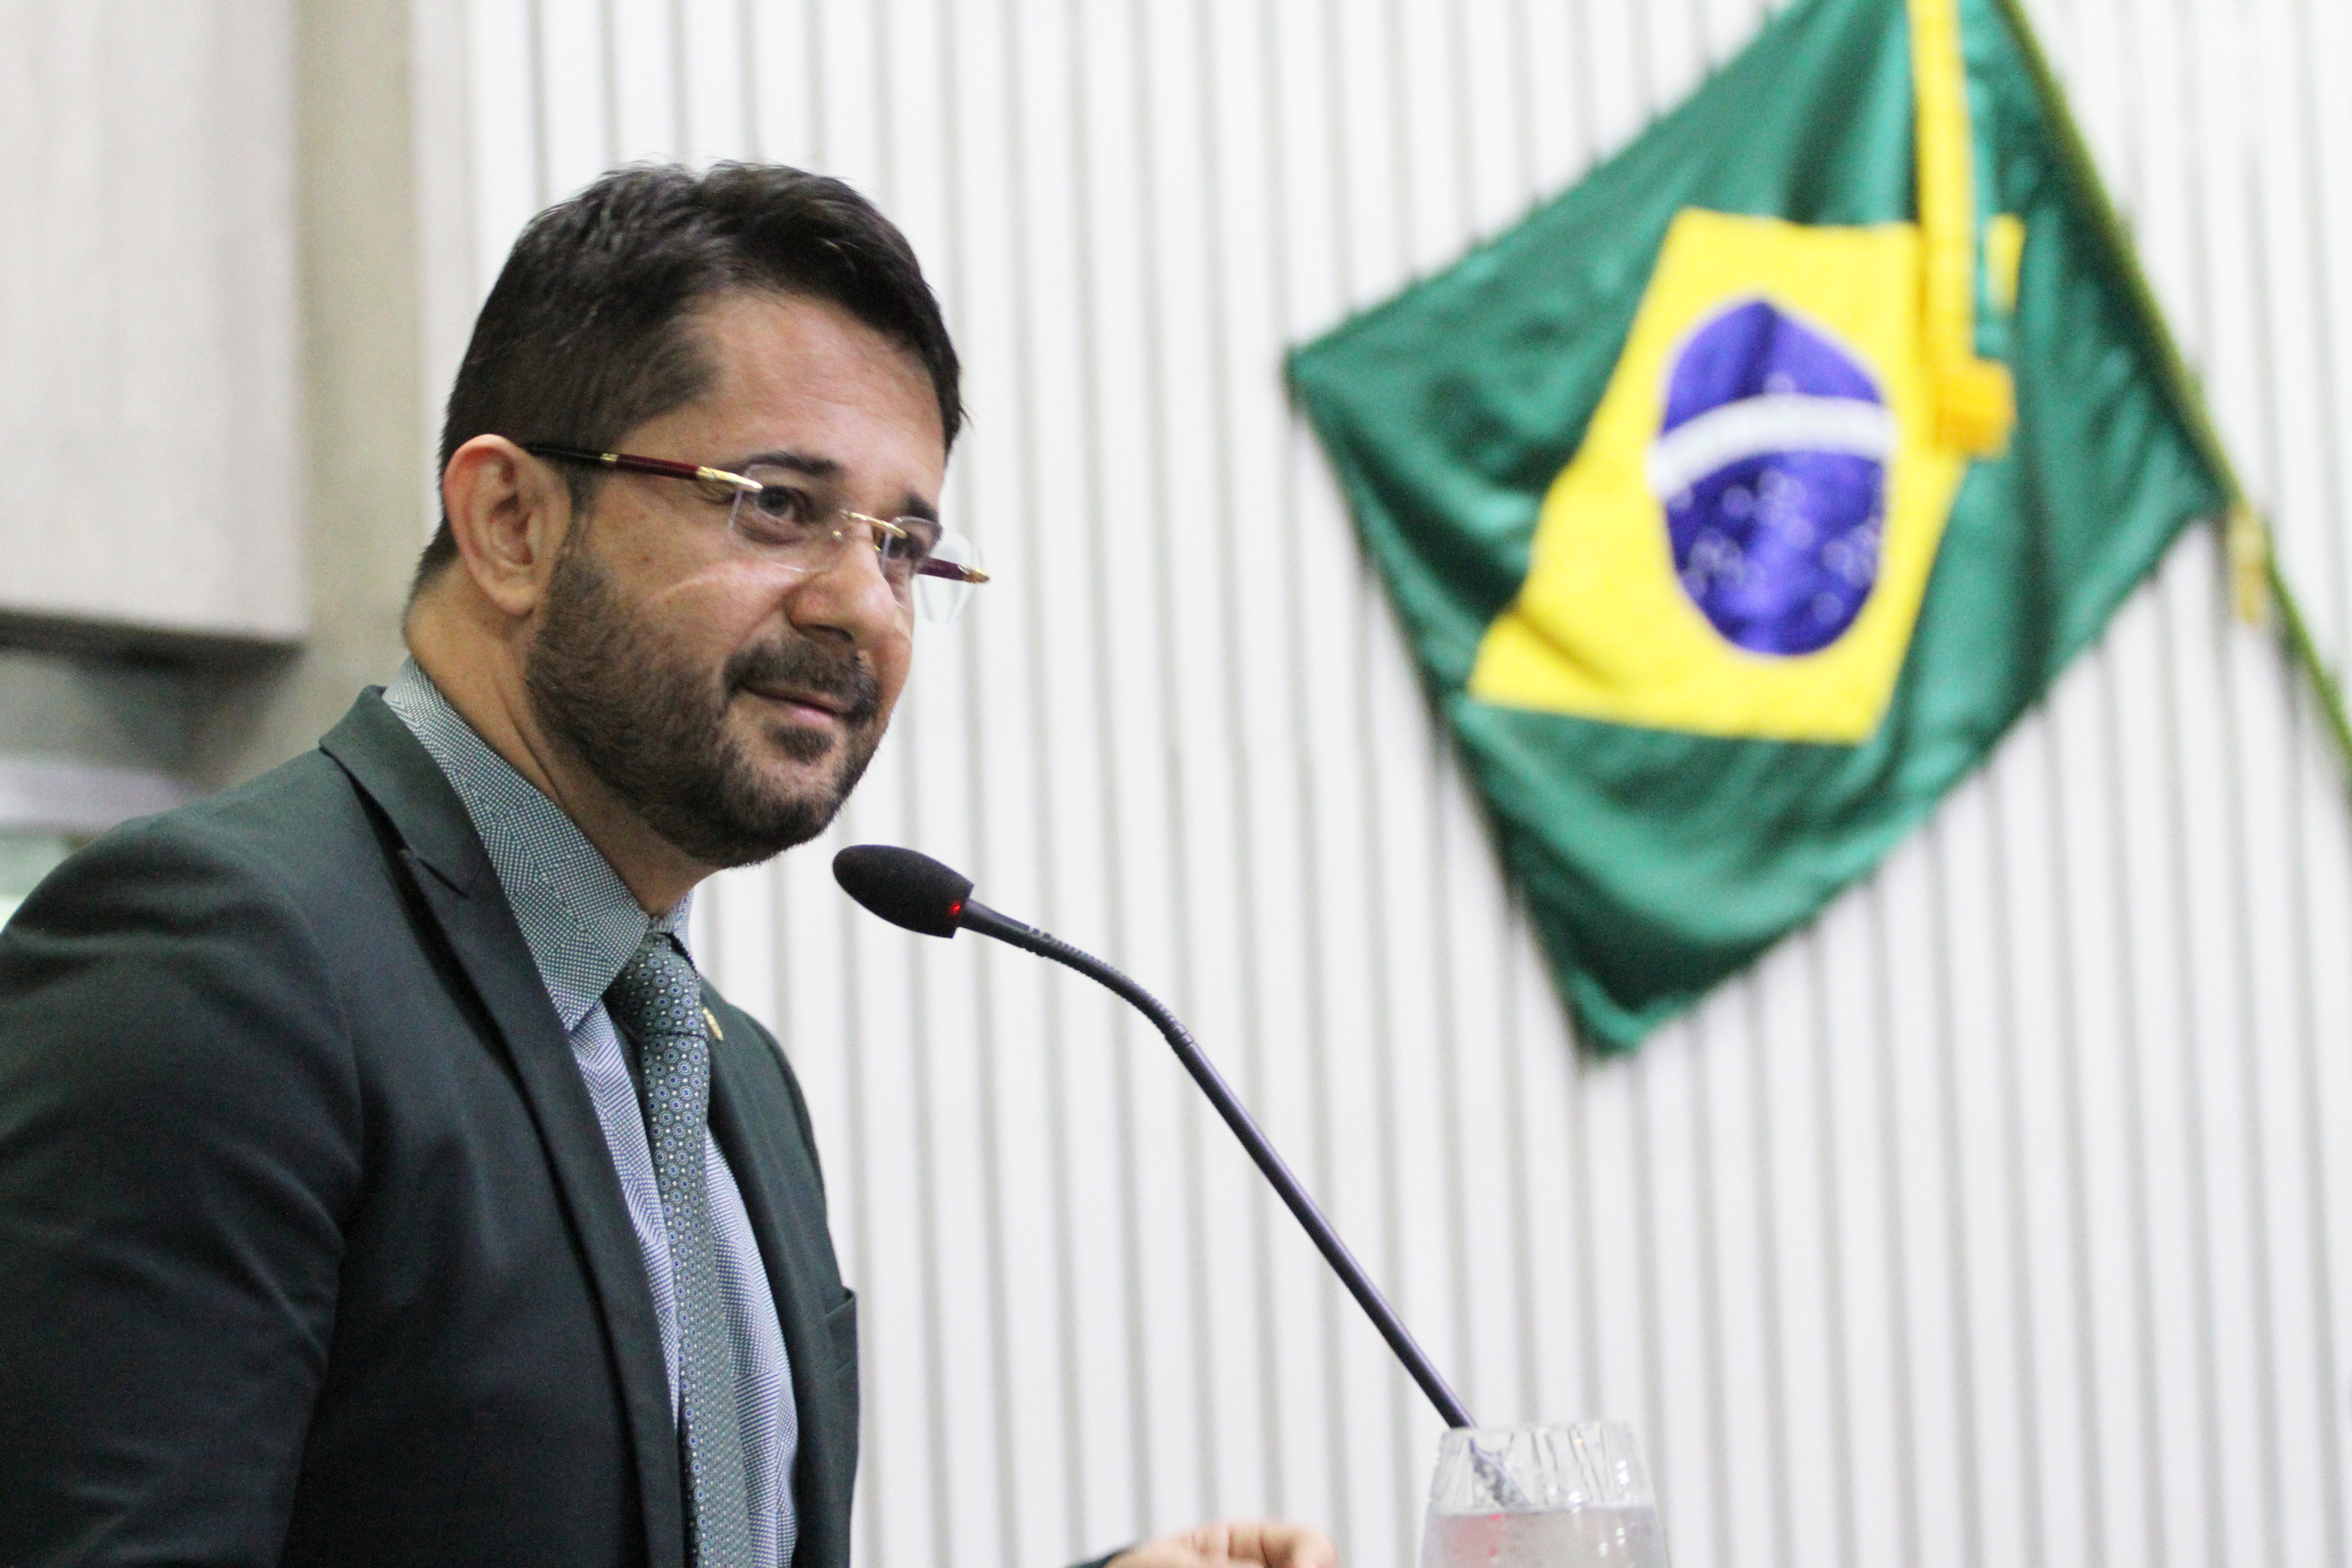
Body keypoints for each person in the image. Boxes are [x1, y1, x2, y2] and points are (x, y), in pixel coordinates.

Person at [0, 163, 1335, 1568]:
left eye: (904, 546)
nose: (864, 608)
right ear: (512, 523)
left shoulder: (730, 1073)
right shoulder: (218, 964)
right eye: (776, 505)